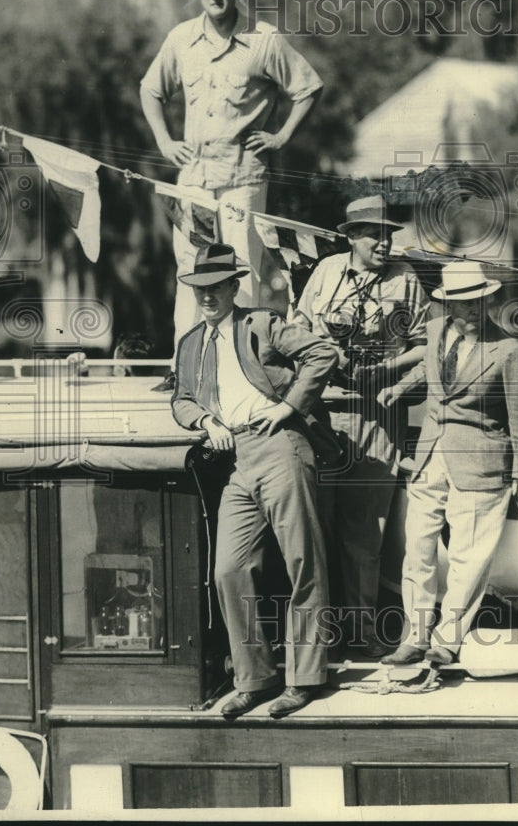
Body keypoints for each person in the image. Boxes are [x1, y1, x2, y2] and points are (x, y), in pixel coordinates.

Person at [141, 0, 323, 390]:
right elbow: (151, 90)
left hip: (243, 177)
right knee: (191, 269)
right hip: (194, 179)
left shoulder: (263, 40)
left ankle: (238, 366)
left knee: (242, 268)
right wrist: (165, 142)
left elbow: (309, 87)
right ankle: (182, 369)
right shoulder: (181, 39)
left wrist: (281, 136)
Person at [171, 243, 338, 718]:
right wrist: (207, 423)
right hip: (235, 459)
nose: (207, 297)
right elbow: (181, 399)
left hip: (281, 444)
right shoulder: (189, 345)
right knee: (229, 568)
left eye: (216, 288)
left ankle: (305, 679)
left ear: (232, 287)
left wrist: (289, 407)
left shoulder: (260, 324)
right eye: (200, 289)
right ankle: (255, 677)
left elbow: (323, 352)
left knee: (302, 560)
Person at [378, 264, 518, 666]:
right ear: (448, 304)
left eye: (476, 302)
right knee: (417, 549)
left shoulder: (509, 351)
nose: (470, 311)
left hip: (480, 463)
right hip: (431, 455)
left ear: (488, 300)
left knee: (468, 559)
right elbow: (428, 370)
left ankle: (446, 642)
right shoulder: (435, 331)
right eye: (461, 304)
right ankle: (413, 637)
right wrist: (399, 387)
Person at [293, 196, 429, 657]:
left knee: (366, 530)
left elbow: (427, 345)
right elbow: (296, 329)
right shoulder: (326, 272)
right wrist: (327, 354)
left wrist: (388, 366)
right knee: (315, 524)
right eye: (375, 235)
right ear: (352, 236)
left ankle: (363, 633)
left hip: (379, 413)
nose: (386, 243)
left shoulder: (405, 280)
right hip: (322, 412)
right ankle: (317, 640)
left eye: (391, 235)